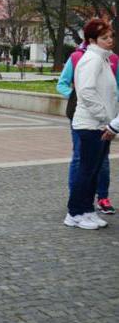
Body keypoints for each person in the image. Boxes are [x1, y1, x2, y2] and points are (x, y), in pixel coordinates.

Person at [65, 19, 115, 230]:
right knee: (86, 170)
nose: (110, 40)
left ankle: (86, 210)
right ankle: (74, 212)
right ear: (93, 40)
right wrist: (105, 117)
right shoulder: (92, 59)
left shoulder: (102, 59)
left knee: (94, 171)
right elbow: (85, 92)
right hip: (91, 125)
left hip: (101, 124)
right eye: (105, 38)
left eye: (111, 36)